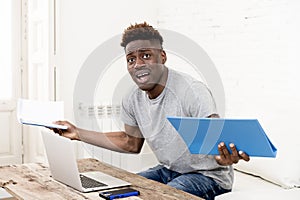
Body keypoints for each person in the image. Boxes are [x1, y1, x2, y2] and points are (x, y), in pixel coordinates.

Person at [53, 22, 249, 199]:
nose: (138, 64)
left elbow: (215, 138)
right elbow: (131, 143)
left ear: (162, 57)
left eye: (146, 56)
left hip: (207, 176)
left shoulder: (193, 91)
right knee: (119, 192)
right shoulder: (131, 98)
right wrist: (77, 133)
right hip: (168, 170)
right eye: (131, 59)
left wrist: (222, 157)